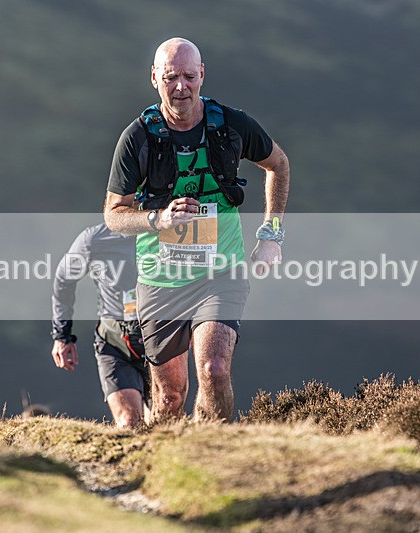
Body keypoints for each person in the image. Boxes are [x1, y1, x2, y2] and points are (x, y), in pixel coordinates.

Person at [103, 37, 290, 422]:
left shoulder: (231, 124)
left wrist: (271, 234)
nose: (180, 86)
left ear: (202, 75)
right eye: (171, 77)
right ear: (154, 78)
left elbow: (279, 164)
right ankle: (167, 465)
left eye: (189, 76)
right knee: (171, 395)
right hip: (161, 279)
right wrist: (158, 219)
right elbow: (114, 215)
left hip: (220, 272)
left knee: (214, 370)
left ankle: (213, 457)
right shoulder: (137, 137)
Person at [50, 223, 149, 428]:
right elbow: (63, 280)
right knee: (129, 422)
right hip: (114, 341)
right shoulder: (94, 239)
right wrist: (62, 335)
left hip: (161, 338)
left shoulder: (167, 228)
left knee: (164, 420)